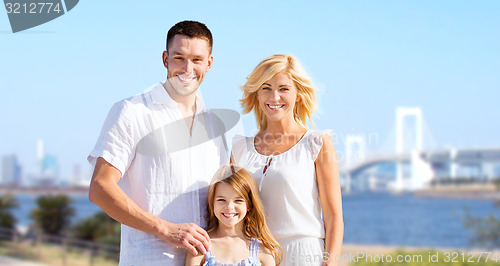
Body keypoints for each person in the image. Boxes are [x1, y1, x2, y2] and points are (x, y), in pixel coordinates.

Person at [88, 21, 227, 265]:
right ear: (165, 59)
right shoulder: (132, 111)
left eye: (196, 59)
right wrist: (166, 229)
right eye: (179, 58)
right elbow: (100, 188)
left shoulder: (215, 126)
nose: (187, 68)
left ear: (209, 63)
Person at [231, 54, 344, 265]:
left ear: (298, 94)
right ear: (256, 94)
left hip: (304, 254)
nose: (274, 97)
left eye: (284, 89)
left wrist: (331, 263)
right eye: (266, 88)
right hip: (254, 255)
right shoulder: (239, 148)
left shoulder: (317, 143)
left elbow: (334, 216)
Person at [185, 164, 281, 266]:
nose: (229, 207)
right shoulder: (200, 247)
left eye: (238, 200)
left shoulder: (263, 251)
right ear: (212, 203)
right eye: (221, 200)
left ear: (249, 204)